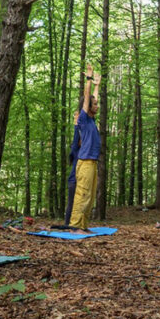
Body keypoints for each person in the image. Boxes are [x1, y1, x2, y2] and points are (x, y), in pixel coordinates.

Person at [69, 64, 101, 233]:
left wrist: (97, 85)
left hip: (93, 162)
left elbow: (92, 97)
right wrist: (88, 79)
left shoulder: (92, 120)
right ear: (88, 107)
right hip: (85, 162)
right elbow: (87, 97)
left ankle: (83, 225)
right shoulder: (83, 119)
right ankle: (75, 226)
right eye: (94, 104)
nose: (97, 105)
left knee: (90, 196)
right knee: (82, 194)